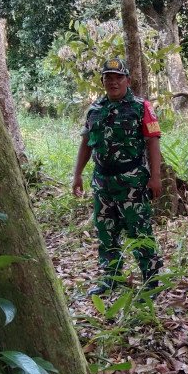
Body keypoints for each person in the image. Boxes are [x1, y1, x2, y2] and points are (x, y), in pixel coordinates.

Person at [72, 57, 163, 297]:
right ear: (102, 81)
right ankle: (111, 278)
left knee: (139, 231)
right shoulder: (95, 109)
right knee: (106, 232)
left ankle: (150, 280)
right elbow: (86, 143)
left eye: (118, 77)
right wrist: (77, 175)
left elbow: (153, 142)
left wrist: (156, 177)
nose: (113, 82)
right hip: (102, 183)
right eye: (108, 78)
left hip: (131, 181)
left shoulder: (140, 106)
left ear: (127, 80)